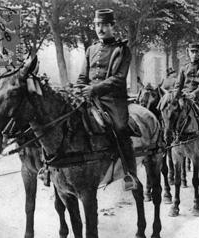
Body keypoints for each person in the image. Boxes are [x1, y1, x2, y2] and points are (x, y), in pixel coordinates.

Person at [77, 9, 137, 190]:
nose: (100, 29)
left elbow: (118, 79)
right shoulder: (91, 49)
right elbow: (82, 77)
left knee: (120, 128)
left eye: (103, 25)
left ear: (112, 26)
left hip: (112, 100)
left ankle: (130, 174)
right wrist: (78, 89)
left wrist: (94, 89)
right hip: (88, 98)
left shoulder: (122, 50)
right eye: (97, 25)